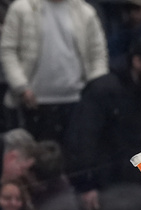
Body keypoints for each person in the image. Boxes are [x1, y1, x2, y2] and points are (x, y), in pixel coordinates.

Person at [64, 34, 141, 210]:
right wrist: (86, 184)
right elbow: (83, 139)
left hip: (136, 187)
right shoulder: (102, 90)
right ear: (137, 62)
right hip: (103, 188)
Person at [0, 0, 108, 143]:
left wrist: (94, 91)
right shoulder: (21, 8)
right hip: (31, 103)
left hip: (77, 102)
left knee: (75, 157)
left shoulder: (85, 12)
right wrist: (21, 87)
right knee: (34, 159)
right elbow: (8, 50)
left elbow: (98, 55)